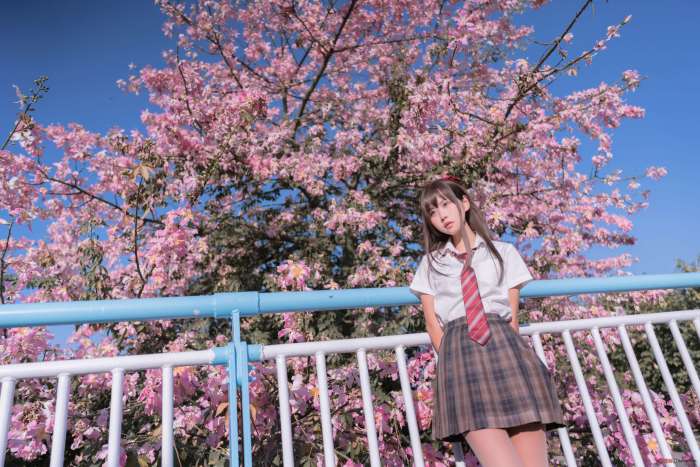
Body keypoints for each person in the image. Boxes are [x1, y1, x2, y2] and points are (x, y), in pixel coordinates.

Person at [409, 176, 564, 467]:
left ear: (465, 203)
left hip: (507, 352)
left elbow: (512, 318)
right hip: (460, 358)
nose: (441, 215)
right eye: (432, 211)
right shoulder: (430, 264)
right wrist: (453, 361)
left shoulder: (503, 252)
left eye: (446, 204)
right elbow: (432, 324)